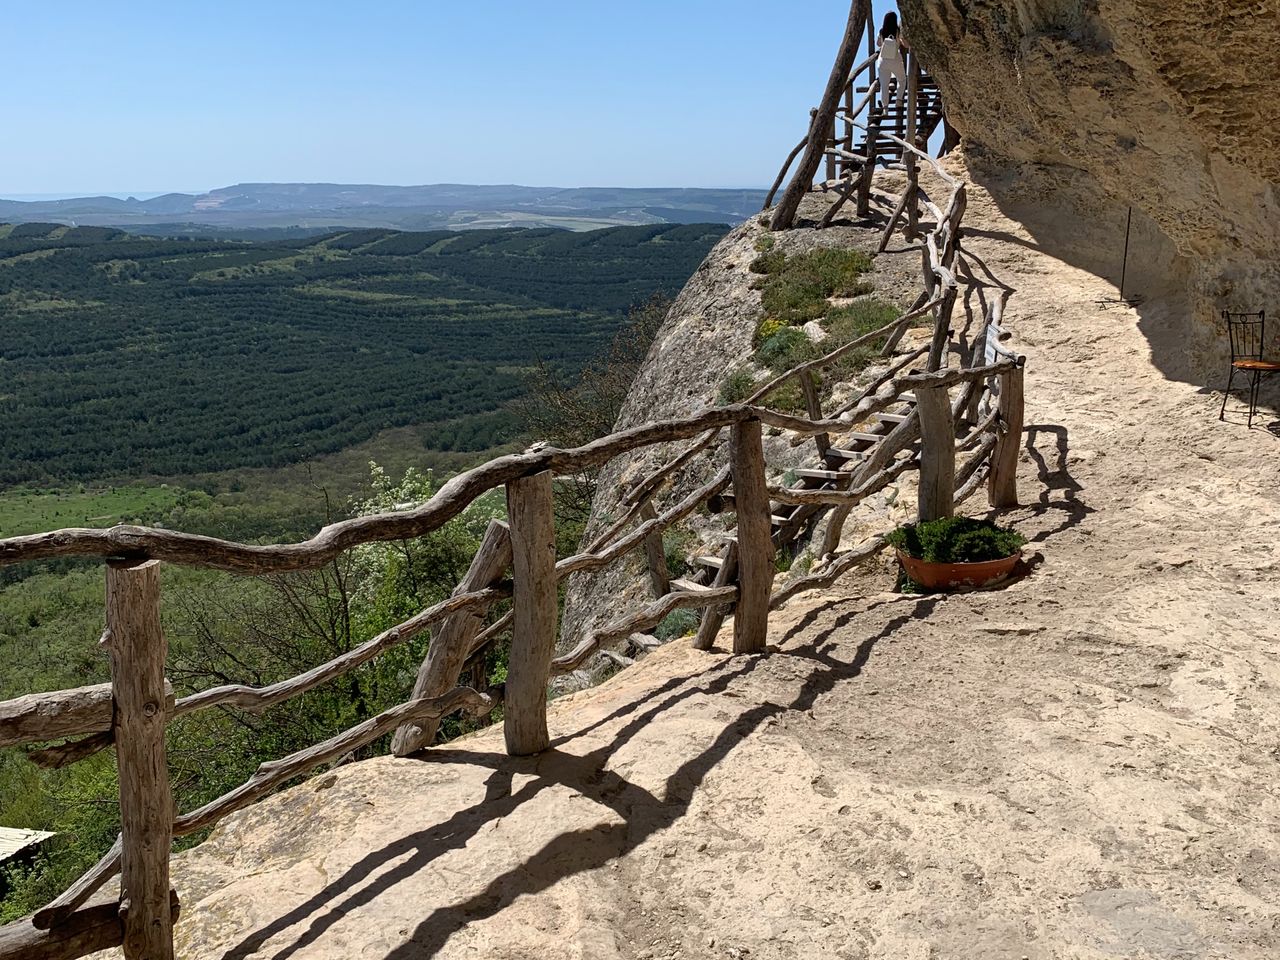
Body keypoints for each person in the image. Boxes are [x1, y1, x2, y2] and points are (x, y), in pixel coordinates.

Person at [876, 11, 907, 113]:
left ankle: (885, 108)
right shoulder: (897, 31)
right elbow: (904, 44)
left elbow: (878, 44)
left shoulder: (882, 31)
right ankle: (899, 100)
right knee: (902, 80)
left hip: (882, 60)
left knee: (884, 85)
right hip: (895, 60)